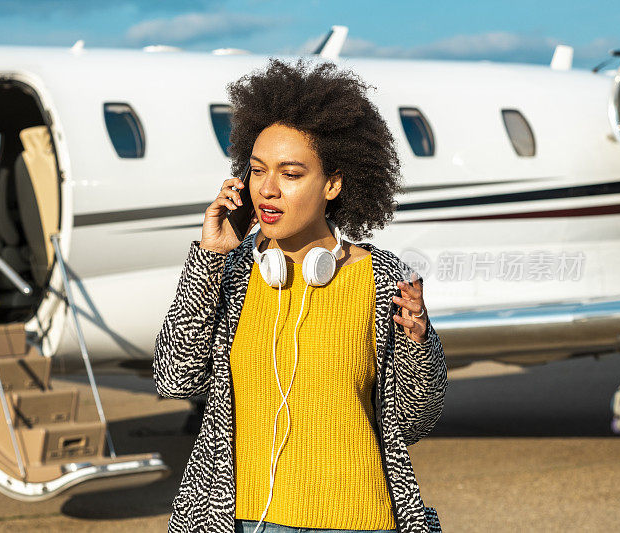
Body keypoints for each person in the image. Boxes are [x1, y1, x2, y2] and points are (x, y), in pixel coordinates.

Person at [153, 57, 447, 533]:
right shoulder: (231, 270)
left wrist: (419, 344)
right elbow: (174, 379)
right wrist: (209, 259)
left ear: (332, 183)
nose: (267, 190)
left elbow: (414, 421)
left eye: (290, 174)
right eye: (256, 171)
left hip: (359, 520)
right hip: (246, 520)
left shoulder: (381, 277)